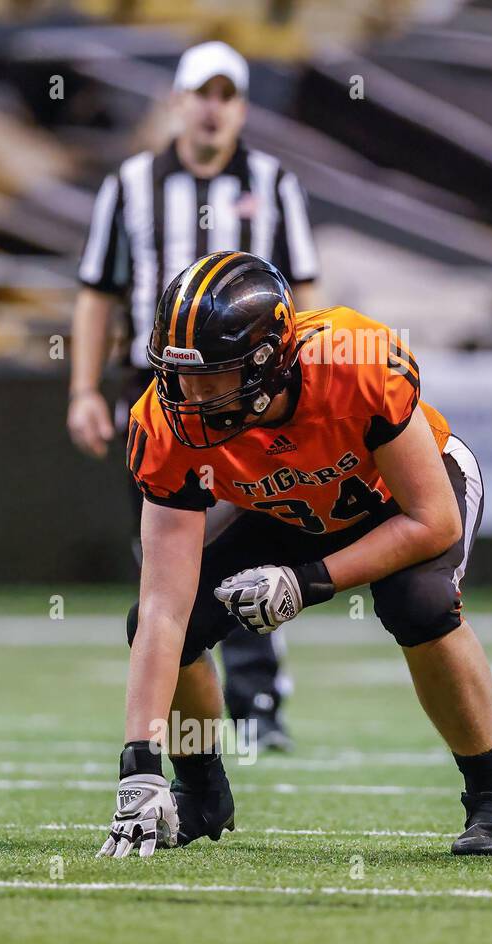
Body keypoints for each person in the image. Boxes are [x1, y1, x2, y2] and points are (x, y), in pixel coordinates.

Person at [97, 250, 492, 859]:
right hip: (292, 510)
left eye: (211, 377)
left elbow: (431, 522)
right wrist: (139, 765)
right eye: (178, 374)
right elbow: (164, 605)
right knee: (161, 625)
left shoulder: (355, 363)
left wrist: (307, 582)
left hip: (396, 498)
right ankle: (201, 793)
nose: (189, 395)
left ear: (269, 362)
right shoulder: (163, 425)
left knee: (420, 604)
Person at [70, 40, 319, 748]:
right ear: (176, 102)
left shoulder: (273, 184)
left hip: (252, 391)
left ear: (241, 109)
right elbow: (96, 294)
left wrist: (304, 390)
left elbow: (305, 294)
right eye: (200, 94)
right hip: (157, 391)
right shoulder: (130, 184)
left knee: (251, 538)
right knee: (162, 551)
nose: (212, 109)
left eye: (226, 95)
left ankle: (259, 703)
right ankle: (184, 723)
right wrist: (84, 388)